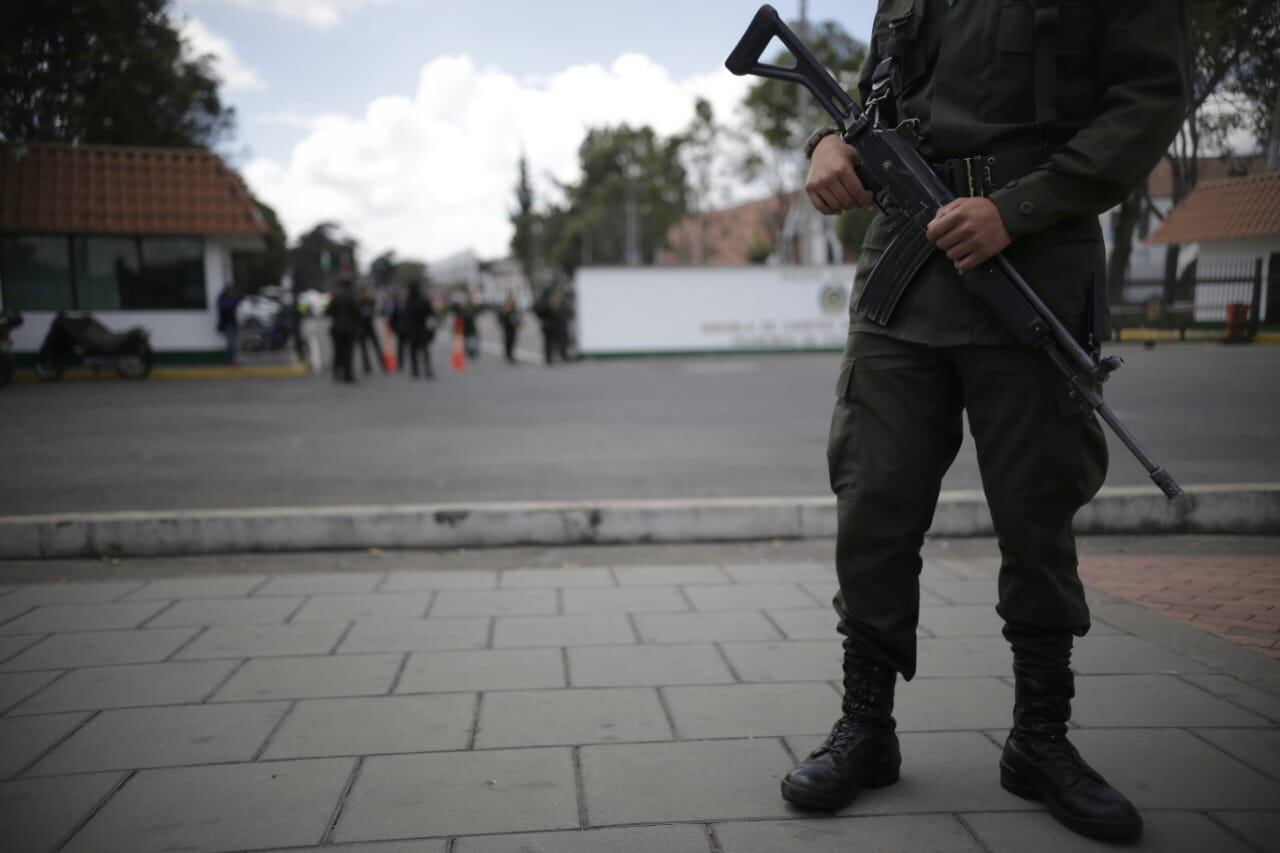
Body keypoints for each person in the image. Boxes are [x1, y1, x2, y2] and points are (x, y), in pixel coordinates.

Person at [780, 2, 1185, 844]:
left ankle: (1040, 738)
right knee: (874, 499)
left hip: (1029, 267)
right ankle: (867, 726)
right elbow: (876, 100)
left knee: (1037, 511)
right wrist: (829, 146)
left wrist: (1024, 206)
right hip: (904, 264)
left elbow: (1148, 99)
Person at [325, 279, 361, 383]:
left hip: (337, 328)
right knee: (348, 352)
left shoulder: (336, 296)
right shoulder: (352, 296)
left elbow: (329, 311)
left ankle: (336, 372)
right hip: (350, 329)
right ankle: (348, 374)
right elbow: (357, 312)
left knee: (337, 351)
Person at [405, 281, 436, 379]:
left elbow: (406, 316)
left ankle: (416, 370)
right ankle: (427, 370)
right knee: (424, 350)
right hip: (422, 329)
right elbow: (431, 314)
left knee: (415, 350)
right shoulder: (423, 300)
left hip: (415, 329)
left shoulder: (409, 301)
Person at [355, 285, 387, 375]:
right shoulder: (359, 302)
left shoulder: (369, 301)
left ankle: (382, 364)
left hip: (369, 326)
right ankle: (367, 366)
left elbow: (374, 312)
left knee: (375, 346)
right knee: (364, 348)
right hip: (362, 327)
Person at [215, 285, 239, 365]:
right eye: (231, 291)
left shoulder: (230, 300)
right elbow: (226, 307)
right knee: (231, 344)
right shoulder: (223, 300)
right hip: (227, 324)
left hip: (232, 324)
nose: (232, 293)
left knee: (233, 344)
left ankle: (232, 360)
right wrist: (234, 301)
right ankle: (229, 361)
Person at [498, 294, 521, 364]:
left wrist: (519, 324)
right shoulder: (504, 309)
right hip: (507, 327)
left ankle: (511, 354)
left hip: (513, 327)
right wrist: (505, 312)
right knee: (507, 340)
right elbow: (500, 318)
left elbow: (517, 317)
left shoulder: (514, 308)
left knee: (513, 340)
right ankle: (508, 354)